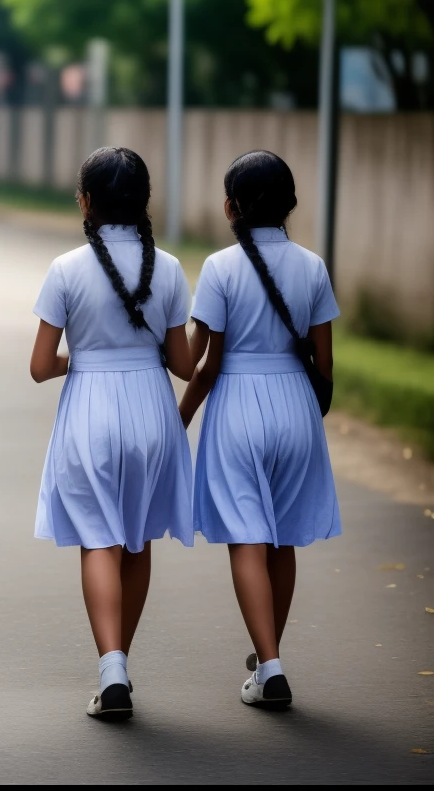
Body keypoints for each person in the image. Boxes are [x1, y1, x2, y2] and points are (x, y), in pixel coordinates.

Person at [28, 146, 195, 722]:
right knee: (138, 536)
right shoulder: (170, 269)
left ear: (86, 201)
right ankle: (121, 658)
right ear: (144, 201)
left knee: (98, 536)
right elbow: (183, 363)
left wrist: (83, 358)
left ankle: (112, 666)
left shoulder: (66, 269)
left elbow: (39, 363)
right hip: (151, 407)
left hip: (91, 409)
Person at [179, 150, 340, 710]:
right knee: (283, 536)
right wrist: (300, 414)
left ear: (231, 206)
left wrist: (181, 417)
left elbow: (204, 362)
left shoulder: (220, 269)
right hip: (297, 404)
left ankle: (269, 667)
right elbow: (325, 364)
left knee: (247, 535)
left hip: (237, 410)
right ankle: (268, 656)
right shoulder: (313, 266)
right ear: (290, 204)